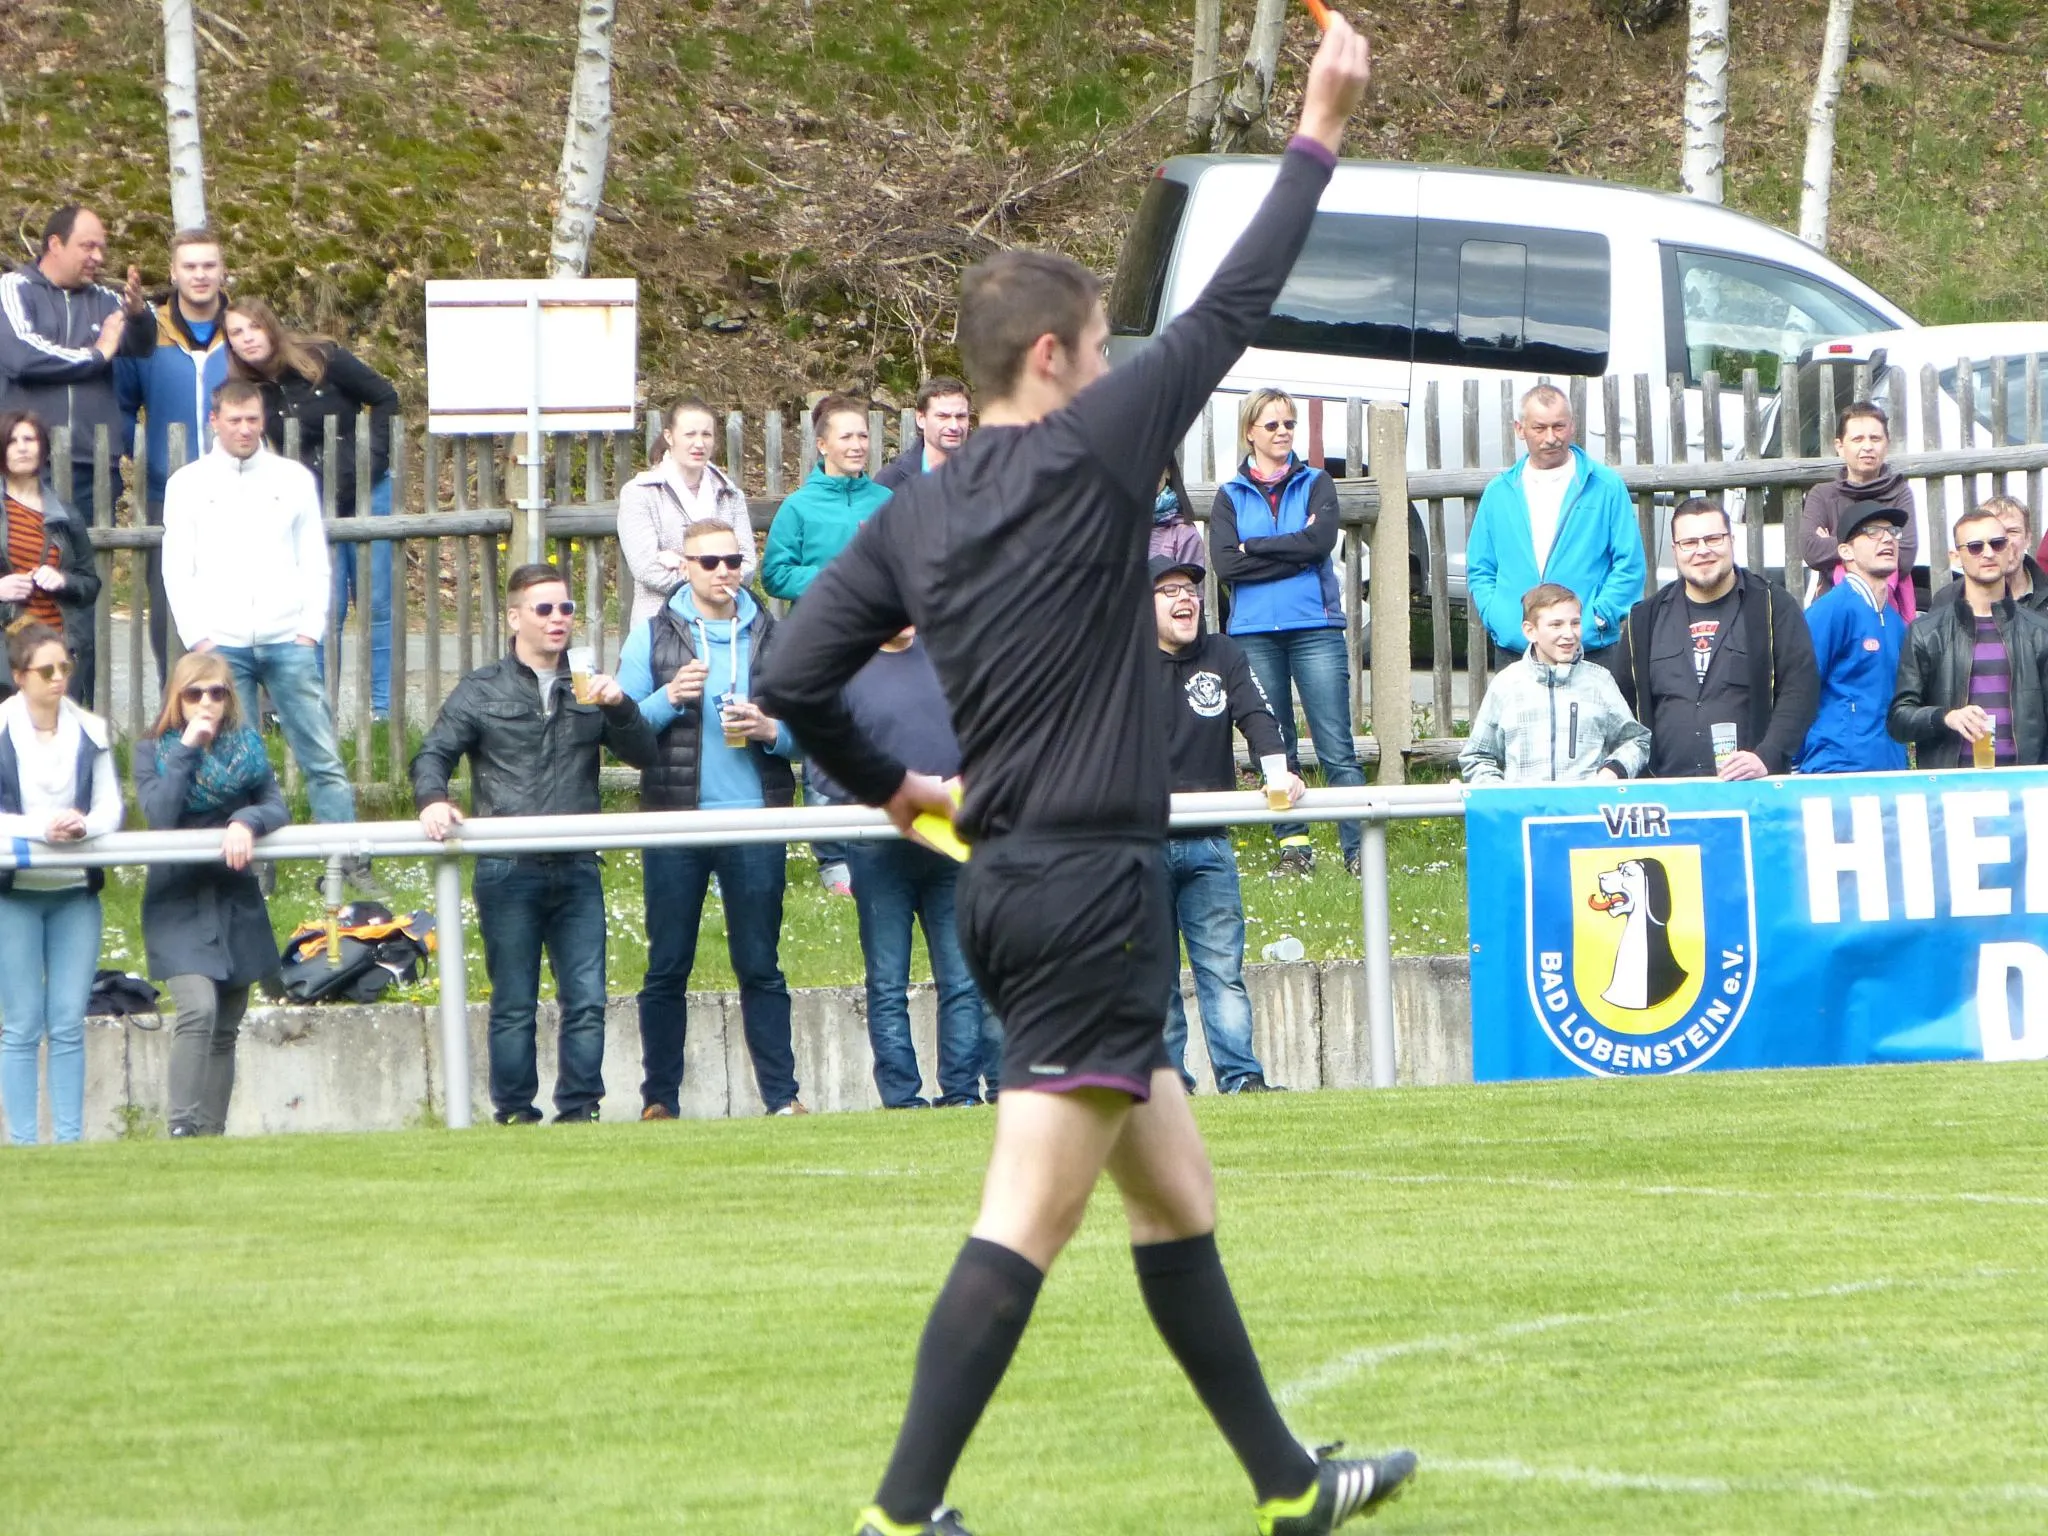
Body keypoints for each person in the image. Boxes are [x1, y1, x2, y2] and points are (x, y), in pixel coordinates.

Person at [755, 21, 1412, 1535]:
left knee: (1175, 1195)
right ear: (1050, 359)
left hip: (1016, 884)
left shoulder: (912, 519)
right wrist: (1318, 123)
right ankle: (900, 1514)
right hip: (1088, 890)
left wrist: (905, 795)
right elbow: (1235, 303)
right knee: (1024, 1218)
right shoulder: (1095, 444)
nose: (1117, 366)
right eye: (1104, 347)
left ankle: (1288, 1488)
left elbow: (788, 680)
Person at [412, 564, 658, 1124]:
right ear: (514, 617)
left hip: (577, 865)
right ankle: (515, 1113)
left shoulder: (590, 684)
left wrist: (621, 706)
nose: (557, 619)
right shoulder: (482, 688)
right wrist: (433, 799)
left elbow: (645, 755)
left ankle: (580, 1111)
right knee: (513, 1003)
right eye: (543, 609)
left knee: (587, 1000)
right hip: (507, 866)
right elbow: (434, 753)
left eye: (565, 608)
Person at [613, 522, 808, 1119]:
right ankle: (659, 1100)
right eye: (709, 562)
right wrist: (668, 697)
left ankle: (783, 1098)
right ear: (685, 568)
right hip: (675, 821)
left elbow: (815, 733)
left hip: (755, 823)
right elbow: (622, 734)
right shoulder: (652, 636)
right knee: (668, 964)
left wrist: (772, 731)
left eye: (733, 560)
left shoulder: (776, 638)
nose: (724, 571)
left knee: (761, 964)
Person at [161, 380, 374, 892]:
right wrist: (200, 638)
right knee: (237, 760)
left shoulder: (292, 479)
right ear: (214, 420)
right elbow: (177, 567)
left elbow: (314, 558)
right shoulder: (188, 484)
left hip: (287, 639)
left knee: (321, 754)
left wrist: (309, 631)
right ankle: (251, 871)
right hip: (222, 643)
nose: (244, 430)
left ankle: (347, 864)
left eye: (253, 420)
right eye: (234, 420)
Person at [808, 625, 998, 1110]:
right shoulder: (845, 669)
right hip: (878, 849)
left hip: (950, 844)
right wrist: (897, 791)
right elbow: (824, 769)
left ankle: (961, 1093)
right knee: (888, 982)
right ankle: (902, 1097)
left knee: (963, 978)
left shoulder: (950, 656)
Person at [1151, 556, 1299, 1094]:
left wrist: (1280, 774)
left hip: (1210, 843)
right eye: (1169, 591)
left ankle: (1242, 1080)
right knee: (1153, 980)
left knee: (1222, 972)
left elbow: (1258, 717)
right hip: (1139, 846)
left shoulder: (1223, 654)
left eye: (1190, 589)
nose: (1185, 598)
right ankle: (1167, 1086)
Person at [132, 650, 289, 1138]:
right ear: (177, 698)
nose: (206, 702)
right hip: (177, 899)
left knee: (226, 1023)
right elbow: (159, 814)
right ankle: (182, 1129)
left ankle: (210, 1136)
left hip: (233, 897)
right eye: (195, 693)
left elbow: (276, 805)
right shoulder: (152, 750)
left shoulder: (247, 748)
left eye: (217, 692)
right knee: (198, 1008)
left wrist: (246, 820)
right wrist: (188, 748)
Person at [1209, 387, 1364, 878]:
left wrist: (1255, 546)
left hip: (1315, 627)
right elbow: (1226, 565)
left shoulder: (1317, 482)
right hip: (1254, 632)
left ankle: (1359, 850)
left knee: (1336, 745)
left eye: (1289, 424)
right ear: (1250, 432)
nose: (1282, 432)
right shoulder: (1230, 495)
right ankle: (1294, 848)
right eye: (1272, 424)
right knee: (1275, 748)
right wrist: (1289, 555)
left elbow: (1318, 544)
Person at [226, 297, 402, 716]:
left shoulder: (323, 358)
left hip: (369, 490)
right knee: (323, 607)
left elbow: (385, 397)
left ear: (271, 327)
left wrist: (372, 457)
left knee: (376, 601)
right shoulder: (251, 393)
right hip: (311, 503)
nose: (248, 338)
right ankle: (318, 709)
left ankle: (382, 711)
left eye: (254, 327)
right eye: (236, 332)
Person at [762, 393, 893, 895]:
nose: (858, 444)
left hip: (882, 644)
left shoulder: (887, 501)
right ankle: (833, 857)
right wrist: (838, 577)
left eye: (863, 435)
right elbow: (775, 575)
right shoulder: (798, 507)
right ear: (822, 445)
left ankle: (884, 837)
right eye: (847, 436)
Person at [0, 620, 120, 1146]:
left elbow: (111, 809)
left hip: (74, 894)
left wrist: (82, 826)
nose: (58, 679)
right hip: (15, 896)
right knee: (22, 1024)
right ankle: (24, 1145)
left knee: (69, 1022)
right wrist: (40, 829)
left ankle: (70, 1145)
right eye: (45, 670)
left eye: (64, 668)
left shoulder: (92, 730)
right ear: (19, 676)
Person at [1608, 498, 1818, 780]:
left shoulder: (1772, 607)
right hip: (1664, 790)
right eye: (1689, 542)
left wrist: (1767, 756)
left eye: (1713, 539)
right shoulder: (1644, 619)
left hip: (1752, 788)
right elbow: (1621, 706)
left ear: (1731, 541)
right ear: (1675, 550)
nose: (1702, 550)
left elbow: (1800, 689)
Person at [116, 227, 229, 684]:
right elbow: (122, 403)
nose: (200, 275)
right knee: (169, 601)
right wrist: (142, 454)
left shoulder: (242, 329)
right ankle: (177, 699)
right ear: (174, 272)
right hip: (167, 491)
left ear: (222, 272)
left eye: (208, 265)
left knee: (239, 596)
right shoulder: (148, 334)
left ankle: (246, 706)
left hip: (237, 488)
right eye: (190, 266)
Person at [0, 206, 156, 525]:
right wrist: (96, 355)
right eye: (88, 246)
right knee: (24, 554)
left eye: (101, 248)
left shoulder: (106, 299)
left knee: (89, 556)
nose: (98, 257)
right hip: (26, 463)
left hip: (94, 465)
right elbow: (23, 356)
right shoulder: (13, 288)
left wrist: (139, 314)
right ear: (55, 244)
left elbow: (142, 346)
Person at [1466, 382, 1644, 659]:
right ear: (1520, 429)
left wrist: (1598, 618)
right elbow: (1480, 567)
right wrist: (1497, 617)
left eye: (1558, 426)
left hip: (1588, 647)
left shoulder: (1605, 486)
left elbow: (1629, 563)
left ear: (1572, 426)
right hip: (1516, 647)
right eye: (1539, 428)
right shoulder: (1499, 492)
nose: (1551, 438)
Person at [1888, 506, 2048, 768]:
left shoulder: (2040, 631)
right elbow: (1899, 720)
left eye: (1997, 543)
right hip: (1952, 783)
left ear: (2009, 549)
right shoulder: (1927, 632)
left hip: (2025, 784)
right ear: (1957, 556)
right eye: (1975, 547)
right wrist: (1945, 718)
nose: (1988, 553)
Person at [1459, 584, 1650, 784]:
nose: (1569, 634)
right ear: (1530, 631)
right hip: (1523, 803)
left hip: (1585, 802)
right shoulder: (1506, 684)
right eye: (1556, 625)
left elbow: (1637, 741)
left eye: (1575, 623)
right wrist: (1500, 793)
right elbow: (1477, 756)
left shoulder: (1599, 681)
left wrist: (1612, 771)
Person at [618, 397, 754, 629]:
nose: (699, 444)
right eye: (690, 434)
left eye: (706, 435)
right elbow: (646, 568)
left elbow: (747, 563)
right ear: (669, 437)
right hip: (662, 624)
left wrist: (683, 564)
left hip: (723, 624)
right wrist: (713, 581)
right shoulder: (639, 493)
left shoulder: (731, 494)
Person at [1798, 506, 1910, 774]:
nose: (1887, 539)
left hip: (1892, 772)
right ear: (1846, 551)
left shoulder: (1896, 622)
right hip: (1834, 772)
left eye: (1892, 531)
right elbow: (1797, 691)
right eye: (1872, 532)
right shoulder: (1830, 610)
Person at [0, 411, 101, 705]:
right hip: (8, 651)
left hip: (57, 648)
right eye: (12, 441)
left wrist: (63, 580)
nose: (22, 447)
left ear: (42, 448)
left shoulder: (67, 516)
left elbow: (90, 584)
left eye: (29, 439)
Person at [1796, 402, 1917, 617]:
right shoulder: (1822, 495)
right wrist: (1879, 547)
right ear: (1840, 446)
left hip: (1887, 612)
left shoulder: (1900, 493)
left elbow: (1905, 556)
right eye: (1858, 439)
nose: (1867, 446)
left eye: (1875, 438)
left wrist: (1835, 543)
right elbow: (1811, 550)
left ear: (1886, 444)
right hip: (1833, 613)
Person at [1929, 493, 2048, 616]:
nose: (2004, 542)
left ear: (2028, 539)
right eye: (1994, 533)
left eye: (2012, 531)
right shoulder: (1948, 599)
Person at [874, 377, 973, 490]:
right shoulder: (891, 481)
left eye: (960, 416)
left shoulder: (986, 475)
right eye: (943, 416)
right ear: (921, 419)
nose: (954, 426)